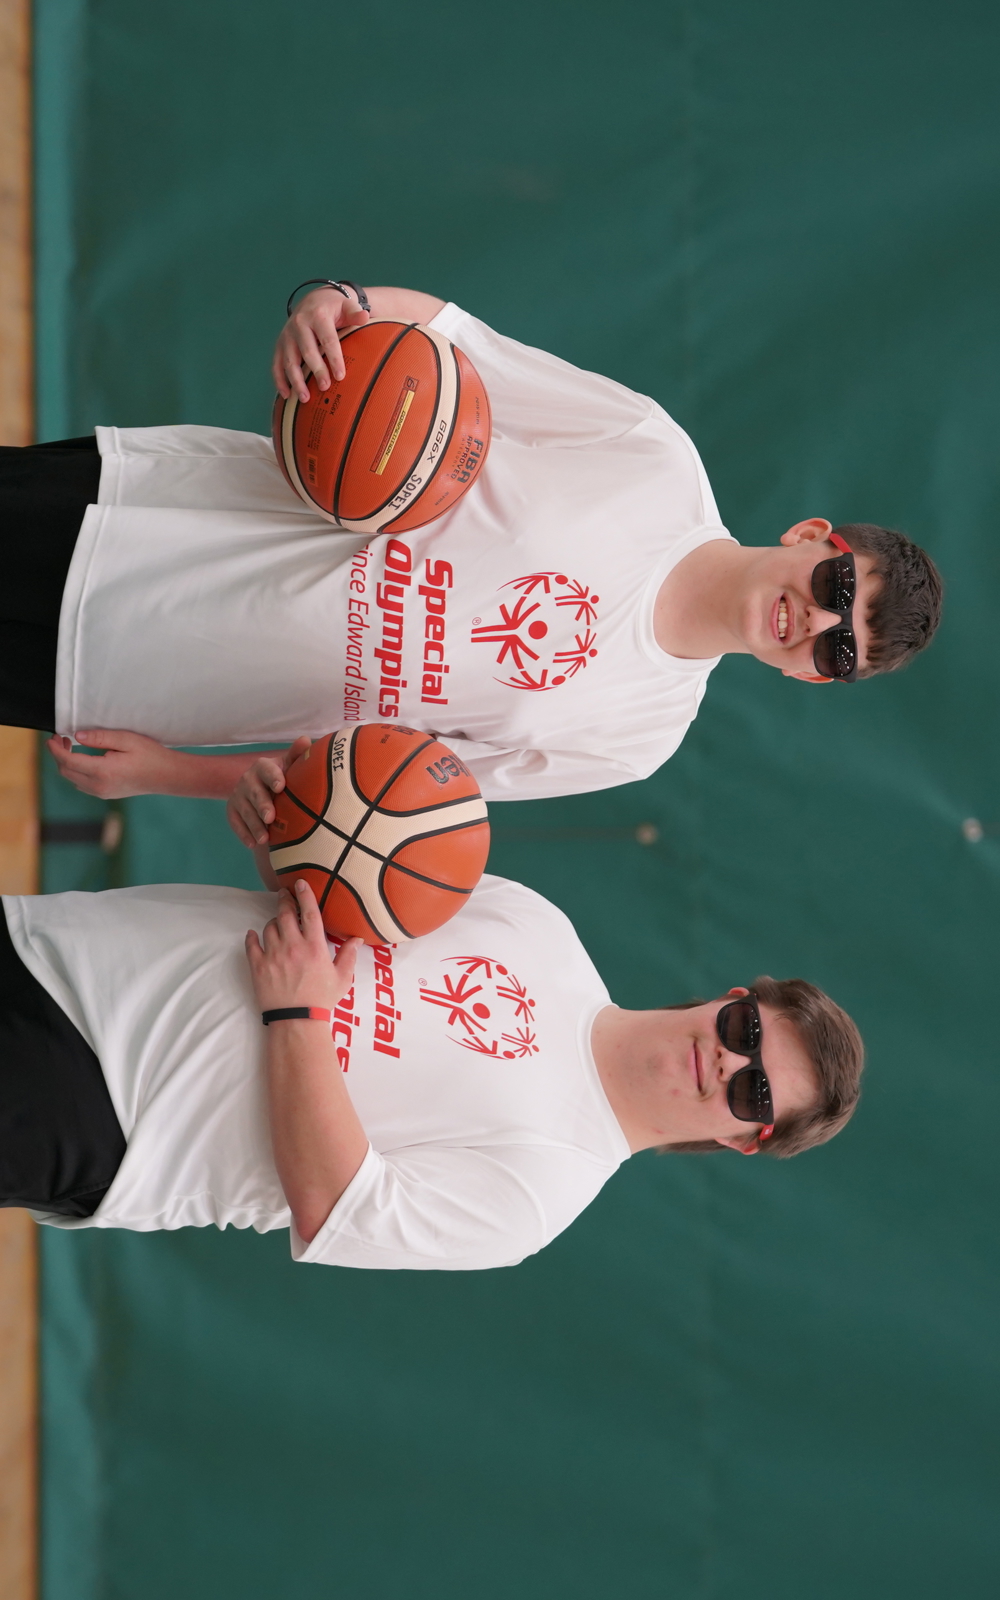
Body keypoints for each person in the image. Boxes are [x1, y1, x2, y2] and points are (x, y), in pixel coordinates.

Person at [1, 282, 939, 806]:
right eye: (835, 582)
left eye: (838, 644)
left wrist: (170, 775)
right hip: (142, 517)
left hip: (129, 676)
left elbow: (375, 783)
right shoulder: (651, 455)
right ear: (812, 534)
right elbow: (452, 340)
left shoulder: (637, 738)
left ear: (814, 677)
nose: (815, 617)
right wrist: (332, 306)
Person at [2, 870, 861, 1270]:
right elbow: (337, 881)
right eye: (749, 1029)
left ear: (744, 1137)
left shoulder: (541, 1196)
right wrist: (288, 825)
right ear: (734, 997)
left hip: (100, 1110)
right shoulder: (541, 927)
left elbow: (333, 1204)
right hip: (58, 945)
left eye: (753, 1088)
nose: (727, 1058)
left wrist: (298, 1017)